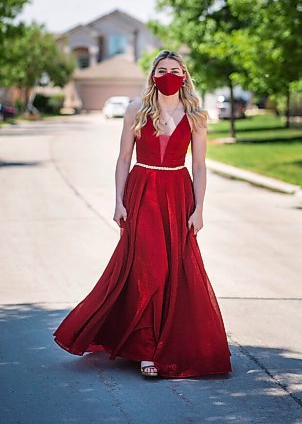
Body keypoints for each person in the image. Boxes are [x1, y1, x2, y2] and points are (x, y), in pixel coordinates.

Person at [53, 49, 232, 379]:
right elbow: (123, 159)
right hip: (143, 192)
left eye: (175, 70)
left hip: (178, 193)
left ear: (185, 76)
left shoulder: (195, 115)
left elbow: (200, 166)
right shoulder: (137, 110)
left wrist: (199, 210)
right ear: (152, 76)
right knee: (148, 267)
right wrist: (119, 202)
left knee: (174, 268)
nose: (168, 76)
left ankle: (163, 341)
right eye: (162, 70)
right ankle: (146, 350)